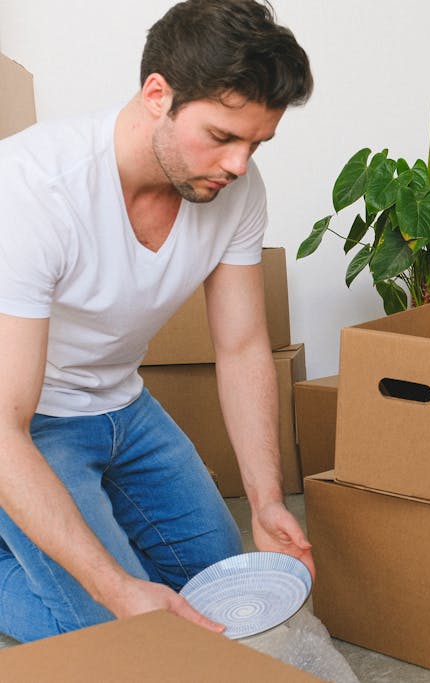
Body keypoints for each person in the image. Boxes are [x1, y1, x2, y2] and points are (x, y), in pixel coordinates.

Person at [0, 0, 314, 642]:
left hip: (127, 408)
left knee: (235, 604)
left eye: (256, 142)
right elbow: (5, 425)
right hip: (31, 425)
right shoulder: (33, 191)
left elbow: (243, 344)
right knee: (126, 633)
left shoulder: (236, 190)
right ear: (156, 95)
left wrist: (265, 500)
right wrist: (115, 590)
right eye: (222, 136)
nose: (238, 164)